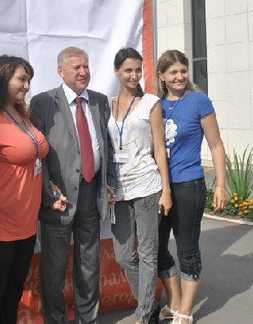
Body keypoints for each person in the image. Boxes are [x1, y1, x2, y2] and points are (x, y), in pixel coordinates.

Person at [30, 46, 117, 324]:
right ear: (61, 71)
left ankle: (87, 319)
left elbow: (107, 146)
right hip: (59, 198)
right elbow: (36, 154)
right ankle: (55, 320)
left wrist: (109, 182)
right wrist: (48, 191)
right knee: (54, 268)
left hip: (91, 193)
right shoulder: (44, 102)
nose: (83, 72)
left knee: (89, 265)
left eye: (86, 66)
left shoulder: (99, 101)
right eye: (76, 67)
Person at [0, 56, 49, 323]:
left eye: (29, 80)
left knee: (12, 295)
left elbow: (34, 159)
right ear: (3, 78)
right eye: (21, 79)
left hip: (25, 225)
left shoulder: (19, 112)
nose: (27, 86)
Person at [155, 50, 226, 324]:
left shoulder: (199, 101)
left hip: (189, 185)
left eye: (183, 71)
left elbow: (216, 145)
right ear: (161, 75)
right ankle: (173, 302)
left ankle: (185, 311)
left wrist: (221, 185)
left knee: (187, 248)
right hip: (159, 187)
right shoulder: (156, 104)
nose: (179, 76)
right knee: (157, 247)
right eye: (173, 72)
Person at [108, 47, 172, 324]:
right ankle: (151, 303)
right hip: (119, 189)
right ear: (117, 72)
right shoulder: (108, 105)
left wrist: (166, 190)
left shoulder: (150, 102)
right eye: (128, 70)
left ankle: (144, 313)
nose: (134, 75)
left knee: (147, 253)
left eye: (138, 70)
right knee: (123, 256)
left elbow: (159, 147)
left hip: (148, 186)